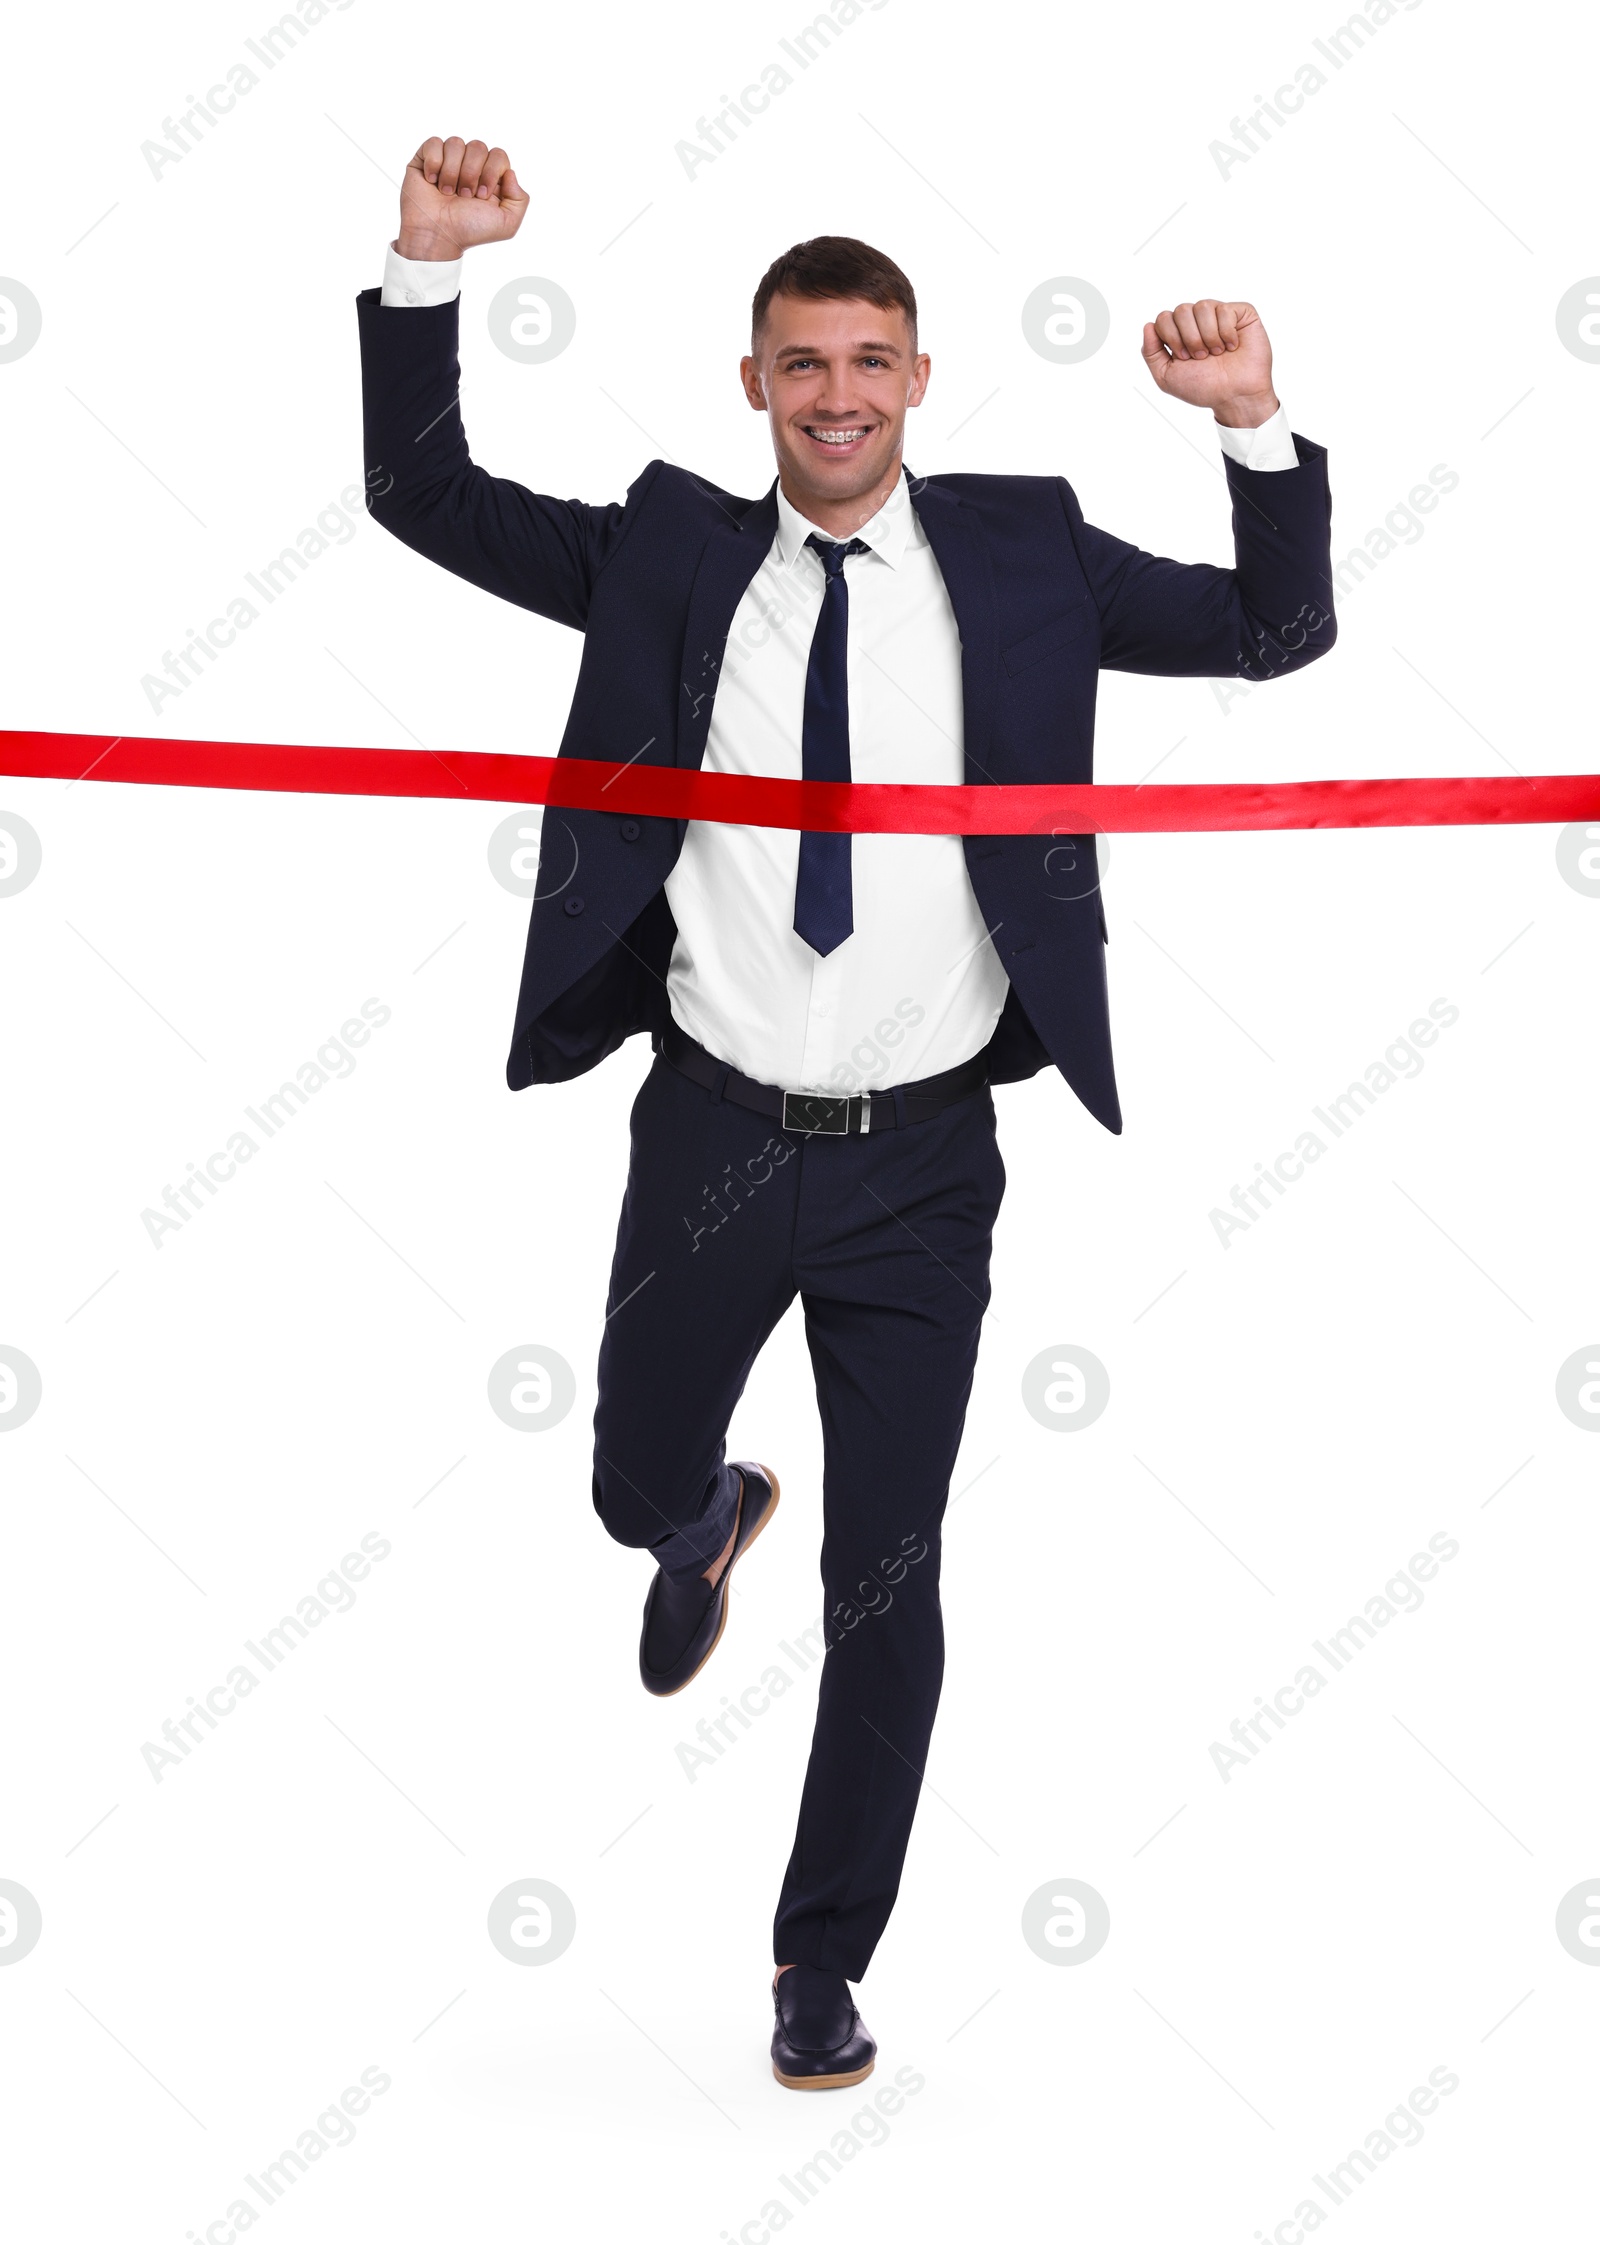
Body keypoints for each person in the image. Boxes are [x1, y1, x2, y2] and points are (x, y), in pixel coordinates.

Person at [357, 134, 1335, 2091]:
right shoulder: (667, 550)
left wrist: (1249, 426)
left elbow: (1266, 630)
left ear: (916, 377)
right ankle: (692, 1509)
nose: (834, 395)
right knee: (627, 1473)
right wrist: (420, 267)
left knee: (886, 1578)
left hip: (920, 1169)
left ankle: (818, 1964)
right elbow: (422, 492)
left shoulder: (1021, 556)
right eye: (798, 362)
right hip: (714, 1132)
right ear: (751, 386)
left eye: (868, 360)